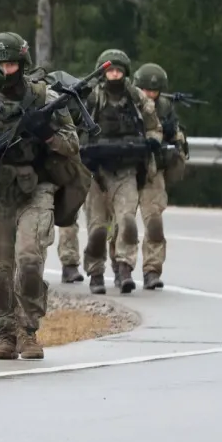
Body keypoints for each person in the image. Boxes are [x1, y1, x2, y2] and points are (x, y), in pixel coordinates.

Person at [0, 33, 81, 360]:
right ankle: (4, 332)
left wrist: (46, 133)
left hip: (37, 188)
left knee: (30, 261)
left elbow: (72, 144)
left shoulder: (43, 97)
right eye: (1, 64)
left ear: (22, 64)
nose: (7, 71)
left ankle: (28, 329)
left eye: (12, 64)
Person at [78, 49, 162, 295]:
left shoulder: (136, 98)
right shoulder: (91, 98)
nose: (114, 75)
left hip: (126, 171)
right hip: (96, 172)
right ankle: (95, 272)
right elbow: (71, 126)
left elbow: (153, 126)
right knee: (97, 229)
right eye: (109, 70)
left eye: (118, 71)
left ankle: (124, 267)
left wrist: (152, 141)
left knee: (127, 221)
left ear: (125, 72)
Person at [131, 62, 189, 290]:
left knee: (154, 222)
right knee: (121, 225)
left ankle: (152, 270)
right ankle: (122, 266)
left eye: (154, 91)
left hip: (153, 171)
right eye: (145, 90)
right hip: (124, 169)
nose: (150, 95)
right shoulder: (124, 105)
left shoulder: (165, 108)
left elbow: (177, 139)